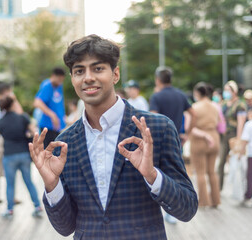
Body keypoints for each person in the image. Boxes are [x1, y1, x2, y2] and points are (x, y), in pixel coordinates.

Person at [29, 34, 197, 239]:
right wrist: (52, 184)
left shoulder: (156, 128)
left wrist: (152, 175)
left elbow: (187, 209)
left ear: (115, 74)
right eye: (79, 71)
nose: (88, 77)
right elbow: (66, 227)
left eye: (98, 68)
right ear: (72, 79)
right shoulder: (65, 143)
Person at [149, 66, 195, 223]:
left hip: (158, 140)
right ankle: (173, 212)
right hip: (176, 139)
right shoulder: (181, 95)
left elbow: (153, 118)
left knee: (158, 176)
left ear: (158, 80)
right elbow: (192, 113)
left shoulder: (157, 96)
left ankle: (162, 209)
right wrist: (188, 132)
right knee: (176, 172)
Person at [0, 96, 42, 218]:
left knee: (10, 184)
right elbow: (35, 133)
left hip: (9, 156)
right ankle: (37, 206)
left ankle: (10, 210)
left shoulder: (0, 122)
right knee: (29, 181)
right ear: (13, 104)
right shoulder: (22, 117)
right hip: (24, 154)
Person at [0, 83, 23, 205]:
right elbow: (20, 113)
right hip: (6, 139)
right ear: (6, 91)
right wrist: (15, 99)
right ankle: (12, 197)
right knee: (10, 168)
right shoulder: (5, 104)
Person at [190, 82, 221, 208]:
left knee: (201, 172)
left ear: (197, 93)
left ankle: (203, 202)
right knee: (212, 172)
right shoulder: (215, 107)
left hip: (200, 139)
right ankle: (216, 200)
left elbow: (190, 127)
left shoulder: (195, 107)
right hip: (214, 137)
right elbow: (219, 123)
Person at [218, 80, 247, 190]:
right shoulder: (224, 104)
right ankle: (218, 188)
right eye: (225, 90)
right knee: (221, 163)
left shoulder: (240, 105)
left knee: (236, 162)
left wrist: (239, 139)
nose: (226, 92)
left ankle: (238, 188)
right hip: (223, 136)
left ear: (234, 91)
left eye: (228, 90)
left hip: (234, 135)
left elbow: (241, 123)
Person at [34, 68, 66, 148]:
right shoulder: (47, 85)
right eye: (59, 79)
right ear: (53, 76)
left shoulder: (59, 86)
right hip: (48, 126)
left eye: (62, 80)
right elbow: (37, 102)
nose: (60, 82)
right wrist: (52, 115)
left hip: (58, 127)